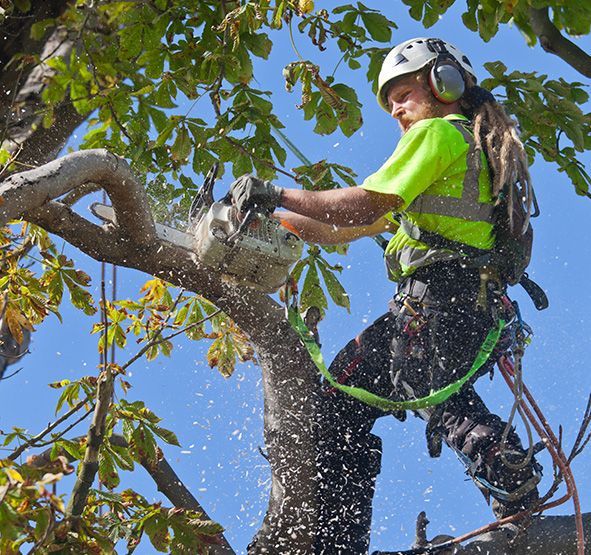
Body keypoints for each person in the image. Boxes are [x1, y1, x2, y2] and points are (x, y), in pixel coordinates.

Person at [230, 37, 541, 554]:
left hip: (436, 304)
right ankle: (341, 537)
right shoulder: (466, 153)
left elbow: (362, 204)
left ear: (446, 85)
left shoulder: (439, 134)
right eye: (390, 101)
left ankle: (506, 472)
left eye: (403, 93)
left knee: (414, 391)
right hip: (465, 306)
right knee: (348, 407)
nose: (396, 109)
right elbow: (344, 227)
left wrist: (273, 191)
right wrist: (274, 220)